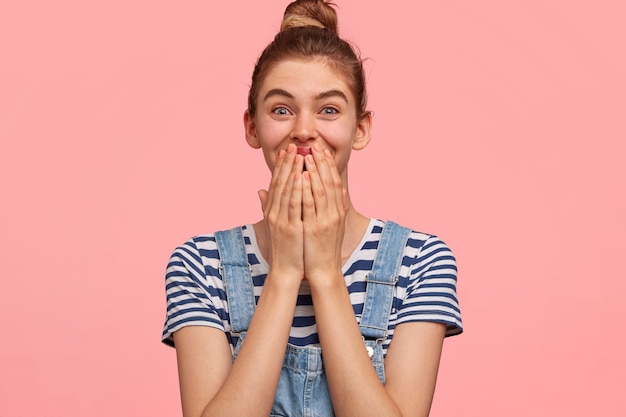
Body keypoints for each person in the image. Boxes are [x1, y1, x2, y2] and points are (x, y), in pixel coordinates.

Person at [161, 1, 462, 416]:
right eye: (281, 110)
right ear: (252, 127)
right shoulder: (198, 264)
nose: (304, 130)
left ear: (360, 129)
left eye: (329, 110)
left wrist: (323, 273)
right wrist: (284, 273)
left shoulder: (423, 261)